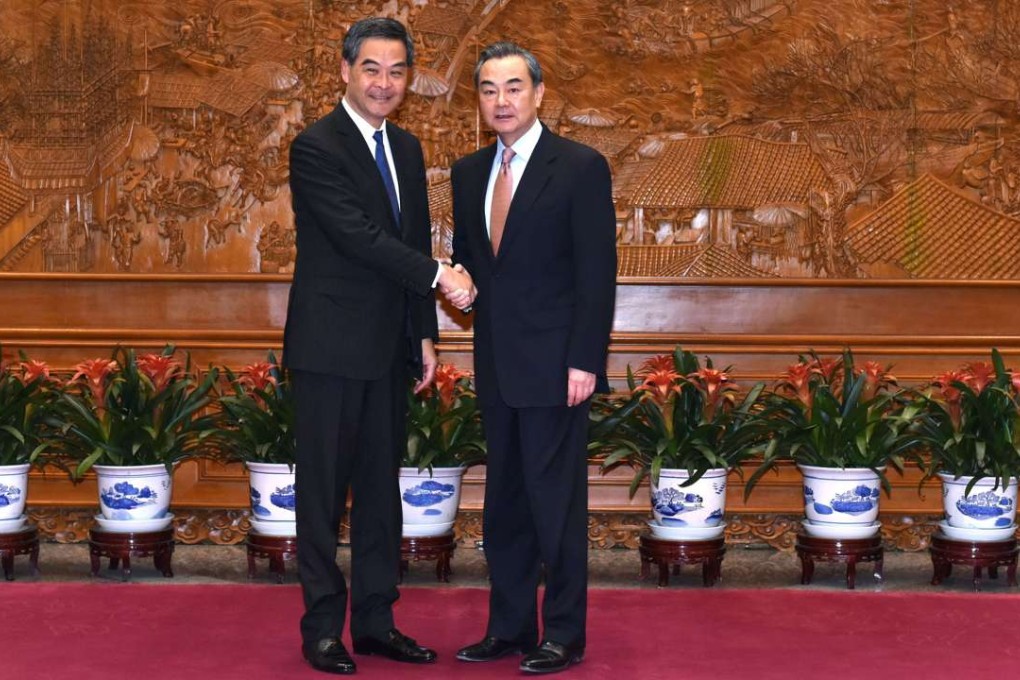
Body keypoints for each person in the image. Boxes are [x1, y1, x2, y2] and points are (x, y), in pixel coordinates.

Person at [284, 16, 474, 676]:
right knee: (322, 495)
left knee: (379, 494)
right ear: (345, 70)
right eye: (371, 68)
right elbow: (358, 237)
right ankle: (322, 630)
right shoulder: (315, 147)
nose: (384, 83)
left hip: (390, 349)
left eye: (397, 71)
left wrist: (424, 331)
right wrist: (440, 279)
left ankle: (375, 622)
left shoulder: (409, 149)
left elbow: (414, 239)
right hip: (330, 349)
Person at [450, 42, 617, 675]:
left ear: (539, 93)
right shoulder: (468, 173)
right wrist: (455, 282)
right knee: (506, 505)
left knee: (557, 507)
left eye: (514, 87)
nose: (502, 100)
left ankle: (565, 634)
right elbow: (477, 265)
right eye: (489, 89)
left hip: (556, 369)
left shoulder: (578, 166)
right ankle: (510, 627)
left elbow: (596, 273)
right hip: (496, 366)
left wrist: (584, 360)